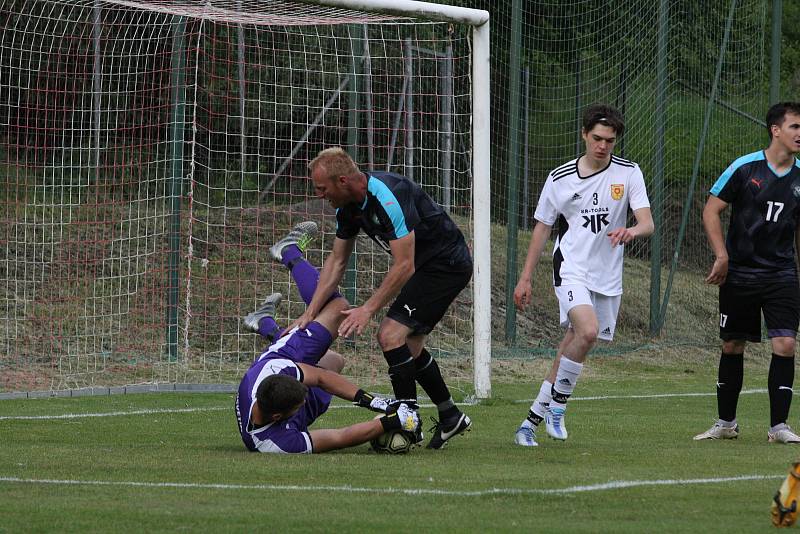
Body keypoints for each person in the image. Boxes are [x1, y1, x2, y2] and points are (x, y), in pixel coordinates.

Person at [291, 147, 473, 449]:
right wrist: (309, 313)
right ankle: (450, 415)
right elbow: (337, 261)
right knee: (409, 347)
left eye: (323, 188)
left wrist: (368, 309)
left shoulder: (389, 197)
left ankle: (408, 418)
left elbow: (404, 265)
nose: (320, 195)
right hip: (426, 267)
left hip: (446, 265)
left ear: (344, 180)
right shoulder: (347, 208)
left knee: (390, 335)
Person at [512, 104, 654, 447]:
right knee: (587, 332)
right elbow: (542, 228)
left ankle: (530, 422)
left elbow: (647, 222)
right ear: (584, 135)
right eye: (597, 138)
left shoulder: (629, 172)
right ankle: (559, 406)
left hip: (607, 276)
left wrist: (632, 232)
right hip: (571, 266)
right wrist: (525, 277)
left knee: (571, 347)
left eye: (609, 140)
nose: (603, 146)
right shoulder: (559, 178)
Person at [235, 222, 421, 454]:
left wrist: (375, 402)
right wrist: (393, 421)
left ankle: (288, 251)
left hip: (281, 356)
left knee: (337, 308)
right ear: (277, 416)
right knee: (334, 361)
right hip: (293, 415)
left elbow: (320, 378)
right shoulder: (274, 443)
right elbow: (339, 437)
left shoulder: (273, 370)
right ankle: (266, 323)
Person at [694, 101, 800, 444]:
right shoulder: (745, 167)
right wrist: (721, 255)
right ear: (776, 130)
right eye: (795, 127)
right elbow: (711, 210)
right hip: (740, 272)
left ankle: (779, 427)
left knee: (785, 343)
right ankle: (726, 423)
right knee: (732, 344)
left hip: (782, 273)